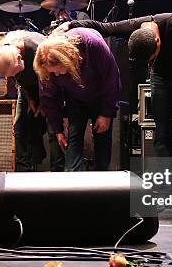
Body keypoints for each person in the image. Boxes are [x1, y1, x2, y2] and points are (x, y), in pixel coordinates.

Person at [56, 14, 172, 158]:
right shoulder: (136, 25)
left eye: (153, 56)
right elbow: (105, 27)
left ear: (157, 40)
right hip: (162, 78)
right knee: (162, 131)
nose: (153, 59)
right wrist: (72, 24)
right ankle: (165, 185)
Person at [33, 27, 120, 171]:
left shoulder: (92, 43)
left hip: (101, 95)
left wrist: (106, 113)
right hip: (75, 99)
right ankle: (72, 186)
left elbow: (111, 78)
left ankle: (102, 184)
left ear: (68, 58)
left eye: (60, 69)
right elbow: (49, 97)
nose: (58, 75)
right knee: (72, 141)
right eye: (53, 73)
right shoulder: (45, 63)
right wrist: (58, 130)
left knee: (103, 143)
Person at [0, 30, 64, 171]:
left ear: (20, 58)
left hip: (50, 88)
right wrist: (30, 98)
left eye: (16, 72)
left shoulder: (39, 48)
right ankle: (23, 172)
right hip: (27, 89)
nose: (14, 76)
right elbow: (18, 80)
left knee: (53, 129)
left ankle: (57, 172)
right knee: (19, 128)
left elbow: (54, 78)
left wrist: (44, 103)